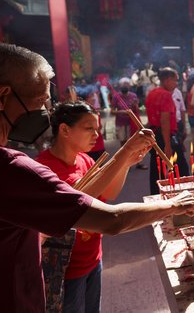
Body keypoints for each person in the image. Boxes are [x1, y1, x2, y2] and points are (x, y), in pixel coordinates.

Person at [0, 40, 194, 311]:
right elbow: (111, 220)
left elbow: (77, 197)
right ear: (1, 98)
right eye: (39, 103)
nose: (45, 115)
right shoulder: (6, 168)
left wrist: (124, 156)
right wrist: (176, 204)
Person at [37, 102, 143, 312]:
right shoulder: (44, 169)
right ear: (65, 130)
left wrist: (125, 163)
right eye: (89, 129)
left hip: (93, 258)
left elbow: (109, 193)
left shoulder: (84, 159)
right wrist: (125, 150)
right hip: (66, 270)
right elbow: (77, 202)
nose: (96, 134)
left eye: (97, 129)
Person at [145, 67, 189, 195]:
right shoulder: (165, 95)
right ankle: (183, 195)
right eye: (175, 81)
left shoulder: (152, 93)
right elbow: (165, 121)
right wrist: (167, 145)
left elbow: (152, 119)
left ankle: (156, 195)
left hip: (155, 136)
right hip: (165, 137)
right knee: (181, 169)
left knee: (156, 168)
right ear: (167, 80)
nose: (176, 84)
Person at [111, 77, 141, 148]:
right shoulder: (116, 96)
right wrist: (120, 112)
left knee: (132, 142)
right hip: (120, 123)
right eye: (123, 85)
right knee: (123, 142)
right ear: (120, 86)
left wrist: (135, 105)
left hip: (131, 123)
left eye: (127, 84)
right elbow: (112, 111)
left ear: (129, 86)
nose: (125, 86)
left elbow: (137, 111)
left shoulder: (133, 95)